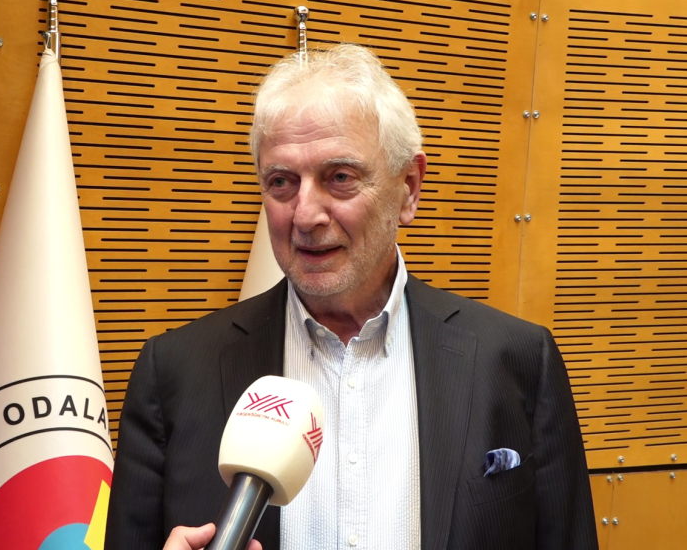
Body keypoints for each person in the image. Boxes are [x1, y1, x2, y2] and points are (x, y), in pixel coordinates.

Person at [105, 44, 598, 550]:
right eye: (281, 182)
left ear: (408, 188)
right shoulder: (173, 374)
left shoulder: (517, 361)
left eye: (339, 177)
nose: (305, 215)